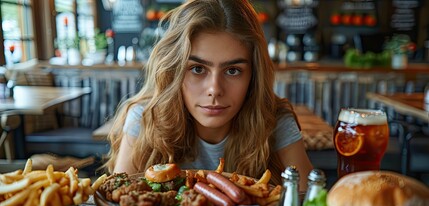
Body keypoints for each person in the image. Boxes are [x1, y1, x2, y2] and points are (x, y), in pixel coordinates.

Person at [105, 0, 313, 187]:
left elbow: (311, 205)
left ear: (254, 75)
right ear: (174, 70)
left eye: (233, 71)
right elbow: (116, 205)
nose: (214, 89)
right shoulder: (144, 118)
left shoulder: (274, 120)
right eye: (197, 69)